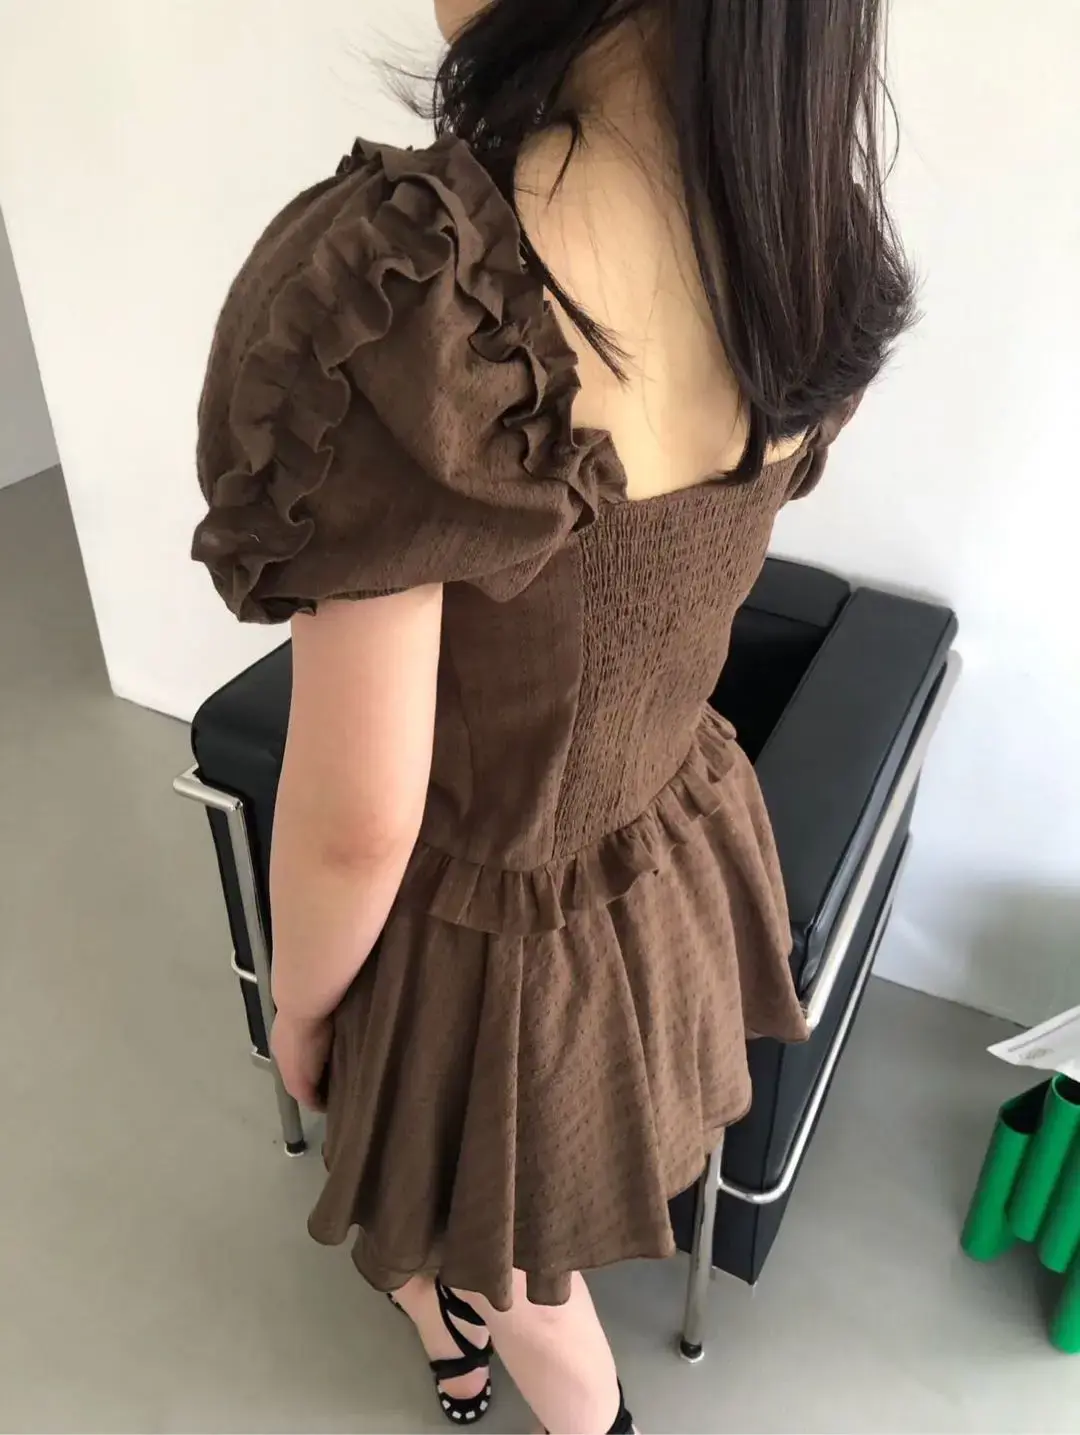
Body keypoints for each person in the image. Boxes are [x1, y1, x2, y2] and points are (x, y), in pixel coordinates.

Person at [192, 1, 913, 1430]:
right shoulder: (801, 232)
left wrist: (300, 1005)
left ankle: (579, 1408)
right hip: (674, 843)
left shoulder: (417, 299)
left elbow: (357, 820)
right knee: (495, 1219)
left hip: (491, 931)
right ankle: (443, 1314)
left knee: (518, 1261)